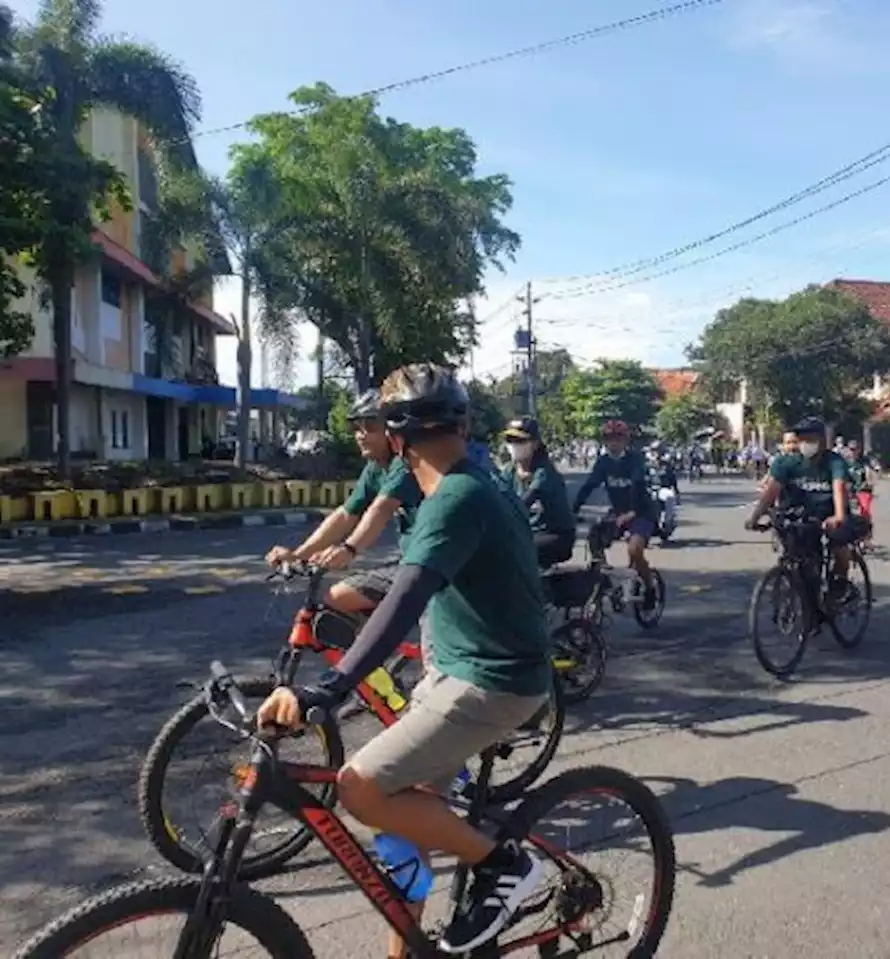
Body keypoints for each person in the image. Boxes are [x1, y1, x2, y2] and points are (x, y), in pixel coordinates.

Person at [256, 364, 552, 956]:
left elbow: (401, 601)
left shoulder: (457, 497)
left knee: (361, 788)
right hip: (458, 669)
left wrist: (329, 689)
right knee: (404, 831)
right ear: (462, 425)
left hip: (490, 683)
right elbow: (375, 543)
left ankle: (506, 867)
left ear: (396, 439)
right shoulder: (468, 478)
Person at [265, 390, 422, 617]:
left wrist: (349, 549)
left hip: (433, 567)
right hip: (410, 560)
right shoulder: (375, 468)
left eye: (371, 428)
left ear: (393, 432)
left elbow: (381, 508)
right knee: (338, 599)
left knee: (434, 644)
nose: (361, 435)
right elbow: (346, 514)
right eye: (358, 429)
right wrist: (299, 556)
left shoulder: (405, 464)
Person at [744, 416, 861, 596]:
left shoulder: (834, 461)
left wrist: (838, 516)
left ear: (822, 440)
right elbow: (771, 492)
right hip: (800, 516)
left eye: (811, 439)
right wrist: (754, 518)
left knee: (840, 549)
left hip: (829, 514)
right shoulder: (785, 463)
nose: (806, 443)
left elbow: (839, 488)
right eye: (803, 439)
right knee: (800, 555)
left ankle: (840, 587)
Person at [571, 419, 658, 609]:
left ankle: (650, 588)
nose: (613, 443)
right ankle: (606, 581)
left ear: (626, 441)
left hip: (642, 512)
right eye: (609, 439)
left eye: (618, 439)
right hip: (618, 513)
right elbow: (590, 485)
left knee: (634, 550)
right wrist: (573, 509)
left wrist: (631, 513)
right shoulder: (603, 462)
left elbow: (637, 484)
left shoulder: (635, 459)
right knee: (594, 539)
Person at [500, 417, 576, 568]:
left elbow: (523, 503)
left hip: (555, 535)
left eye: (520, 440)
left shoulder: (544, 473)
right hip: (527, 533)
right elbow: (496, 496)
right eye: (510, 440)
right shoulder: (509, 471)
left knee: (515, 551)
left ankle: (533, 590)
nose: (514, 445)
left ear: (534, 444)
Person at [846, 438, 876, 548]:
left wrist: (869, 482)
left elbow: (871, 474)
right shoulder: (844, 462)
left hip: (863, 489)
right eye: (851, 449)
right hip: (848, 490)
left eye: (855, 449)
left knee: (865, 512)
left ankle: (867, 537)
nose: (853, 452)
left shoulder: (864, 462)